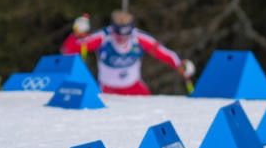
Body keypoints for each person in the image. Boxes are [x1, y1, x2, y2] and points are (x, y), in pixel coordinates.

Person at [61, 10, 195, 95]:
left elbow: (163, 53)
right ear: (113, 29)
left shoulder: (139, 38)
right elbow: (68, 50)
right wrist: (77, 33)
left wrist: (179, 65)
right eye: (119, 35)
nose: (122, 39)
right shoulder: (103, 37)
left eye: (126, 35)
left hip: (134, 87)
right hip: (107, 90)